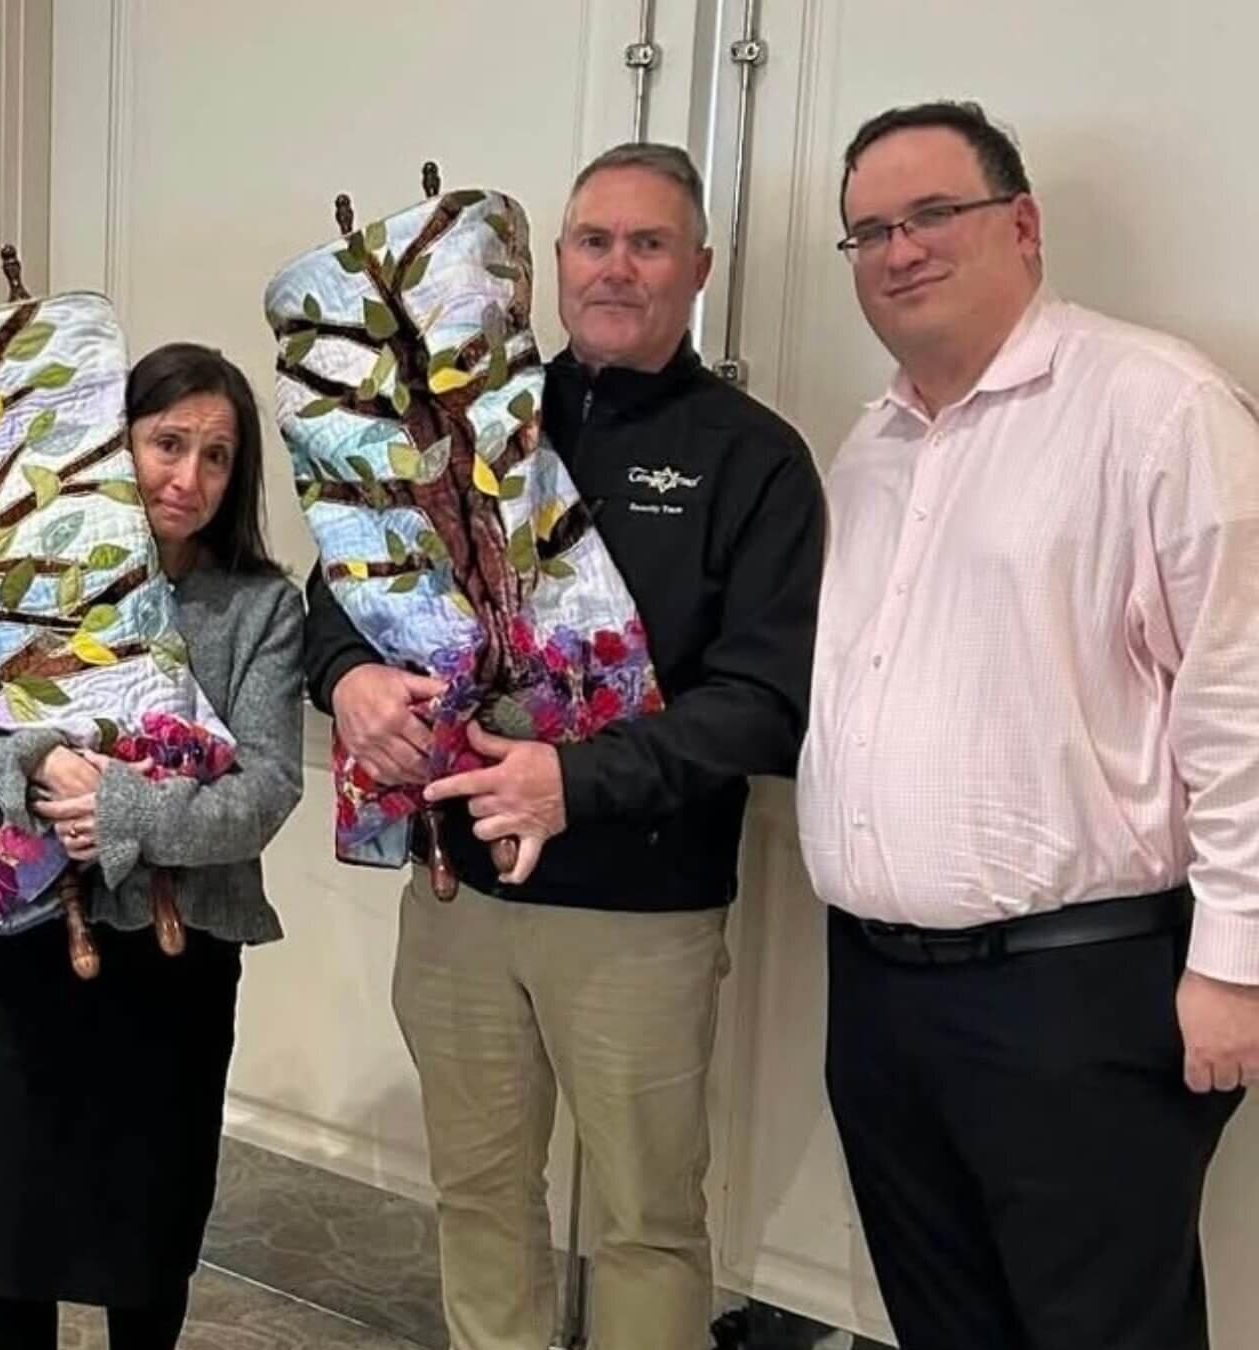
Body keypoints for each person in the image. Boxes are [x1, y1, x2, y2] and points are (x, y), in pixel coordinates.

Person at [303, 143, 824, 1349]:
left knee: (646, 1221)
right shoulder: (464, 421)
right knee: (479, 1197)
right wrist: (349, 677)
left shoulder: (755, 459)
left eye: (649, 245)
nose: (618, 268)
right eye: (594, 241)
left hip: (640, 917)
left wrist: (571, 782)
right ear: (553, 265)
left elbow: (761, 701)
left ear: (698, 267)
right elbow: (348, 581)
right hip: (457, 900)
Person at [799, 100, 1258, 1350]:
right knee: (945, 1326)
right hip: (881, 996)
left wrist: (1234, 964)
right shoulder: (871, 446)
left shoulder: (1155, 407)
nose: (900, 250)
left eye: (932, 213)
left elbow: (1241, 700)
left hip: (1079, 996)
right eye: (870, 231)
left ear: (1023, 223)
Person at [0, 342, 304, 1350]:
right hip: (20, 939)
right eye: (168, 442)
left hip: (177, 958)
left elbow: (266, 790)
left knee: (148, 1224)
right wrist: (32, 770)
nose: (188, 477)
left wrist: (125, 810)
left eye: (216, 456)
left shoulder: (260, 607)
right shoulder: (17, 575)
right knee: (12, 1216)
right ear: (114, 441)